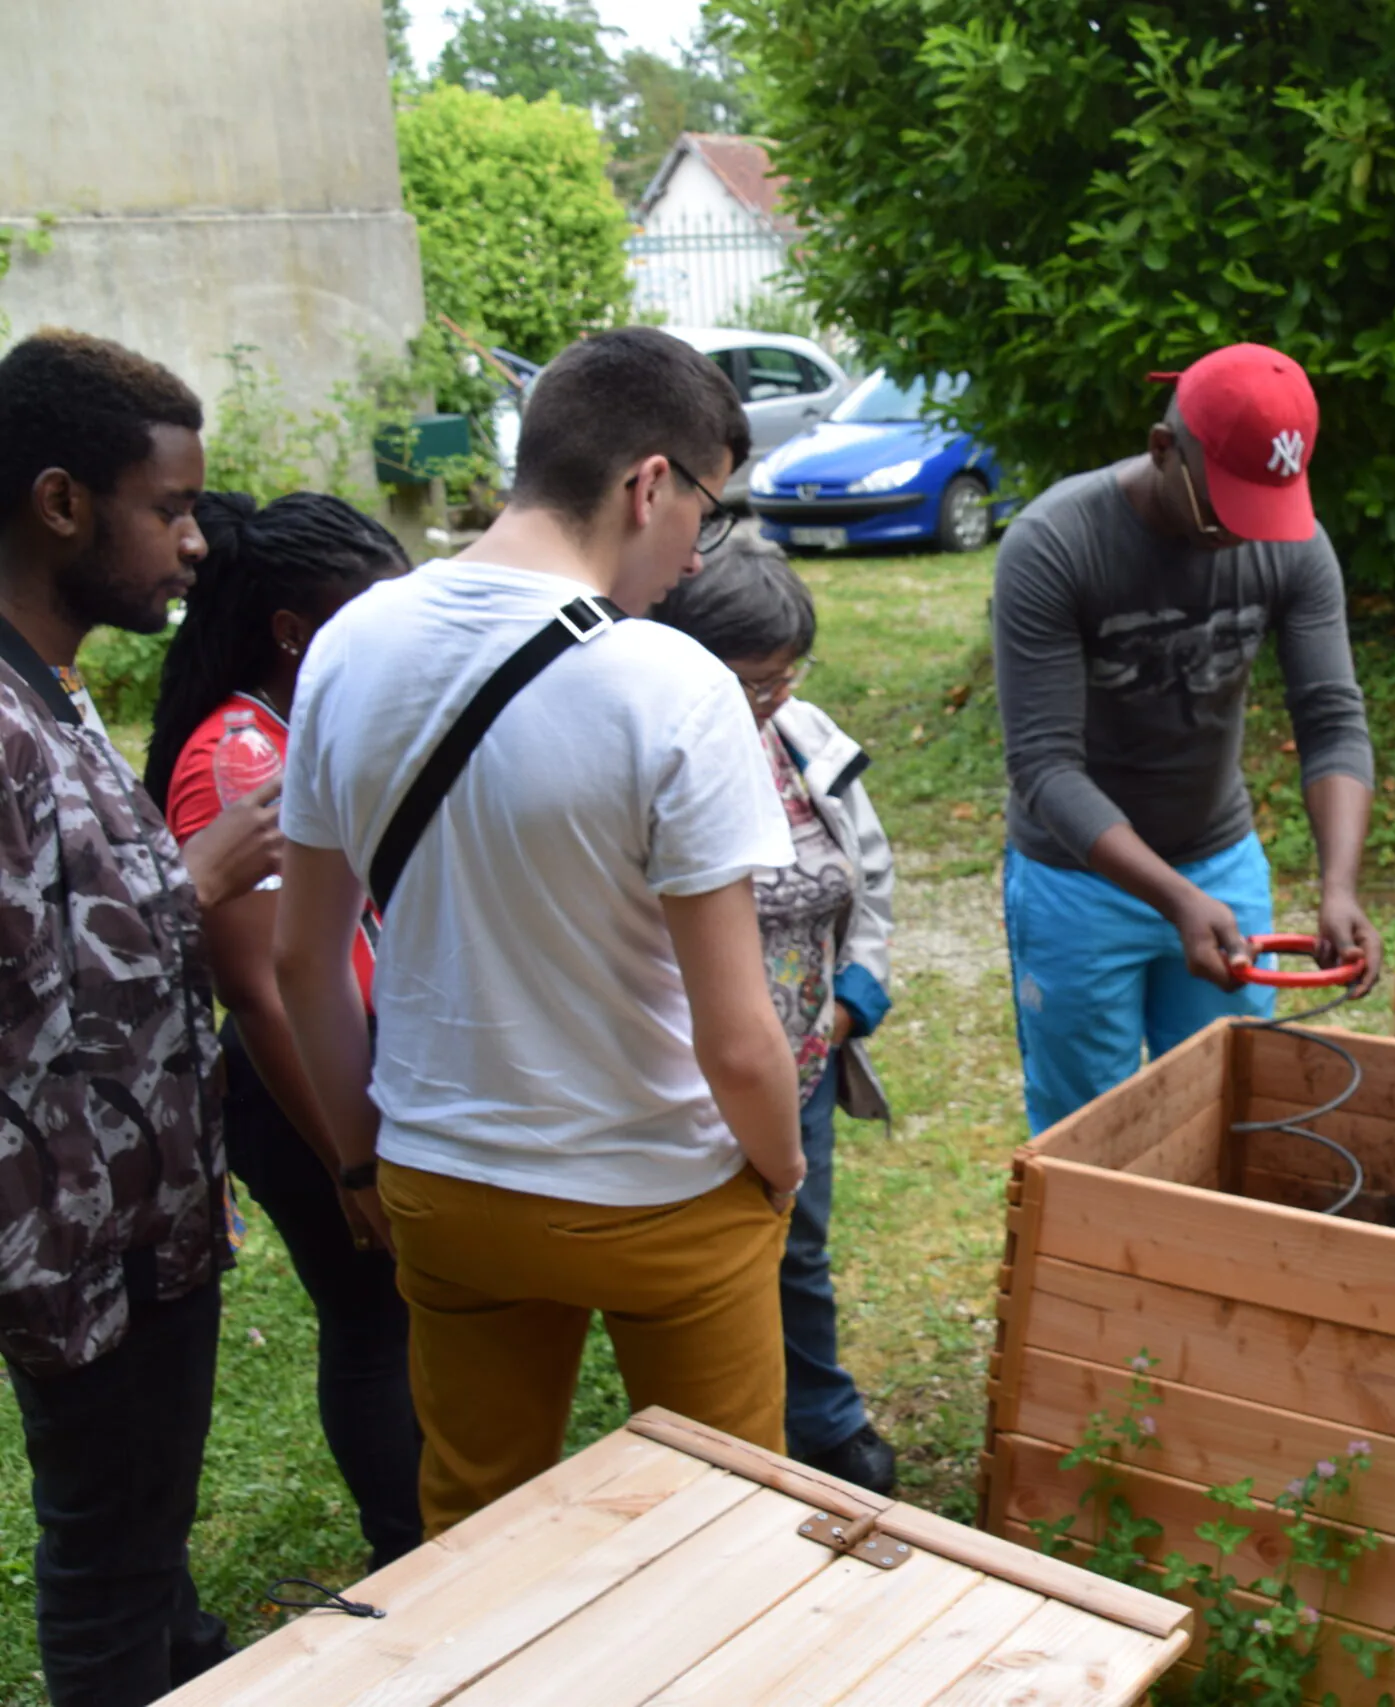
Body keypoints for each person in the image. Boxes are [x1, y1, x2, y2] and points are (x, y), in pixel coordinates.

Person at [272, 327, 806, 1536]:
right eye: (706, 514)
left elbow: (304, 960)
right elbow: (736, 1037)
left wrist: (363, 1160)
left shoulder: (348, 645)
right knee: (733, 1527)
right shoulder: (671, 687)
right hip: (662, 1196)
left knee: (474, 1524)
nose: (693, 556)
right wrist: (780, 1166)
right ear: (650, 483)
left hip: (445, 1187)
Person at [0, 330, 283, 1706]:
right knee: (107, 1563)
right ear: (62, 503)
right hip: (71, 1244)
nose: (192, 544)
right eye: (168, 508)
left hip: (141, 1222)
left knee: (144, 1547)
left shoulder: (48, 686)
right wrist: (201, 877)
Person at [993, 343, 1380, 1132]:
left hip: (1219, 862)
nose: (1246, 536)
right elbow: (1044, 764)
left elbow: (1331, 717)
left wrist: (1338, 884)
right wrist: (1172, 897)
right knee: (1089, 1129)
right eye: (1227, 509)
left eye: (1266, 509)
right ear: (1162, 450)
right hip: (1078, 882)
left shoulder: (1293, 542)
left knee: (1232, 1109)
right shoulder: (1056, 545)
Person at [144, 491, 423, 1570]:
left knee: (400, 1320)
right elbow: (261, 988)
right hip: (304, 1089)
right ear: (295, 631)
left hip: (355, 1068)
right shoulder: (237, 762)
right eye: (367, 615)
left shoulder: (297, 727)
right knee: (371, 1326)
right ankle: (408, 1547)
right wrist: (349, 1166)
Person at [649, 535, 900, 1494]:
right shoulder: (659, 756)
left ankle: (822, 1412)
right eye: (757, 683)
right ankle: (718, 1440)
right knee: (703, 1262)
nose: (779, 698)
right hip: (690, 1074)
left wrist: (850, 1001)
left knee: (797, 1242)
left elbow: (867, 869)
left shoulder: (804, 740)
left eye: (790, 674)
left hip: (803, 1055)